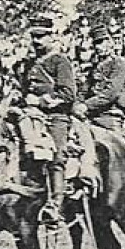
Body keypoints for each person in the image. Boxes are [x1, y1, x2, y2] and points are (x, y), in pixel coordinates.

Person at [21, 14, 78, 226]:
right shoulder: (29, 63)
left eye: (41, 37)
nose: (37, 41)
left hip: (56, 116)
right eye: (34, 37)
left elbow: (68, 94)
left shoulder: (60, 61)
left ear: (51, 36)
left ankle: (56, 205)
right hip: (31, 115)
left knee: (56, 155)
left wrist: (44, 102)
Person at [81, 22, 125, 130]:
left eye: (101, 42)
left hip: (111, 114)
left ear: (110, 42)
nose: (98, 47)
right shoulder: (95, 67)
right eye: (96, 43)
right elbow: (85, 90)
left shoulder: (118, 64)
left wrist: (86, 105)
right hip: (92, 112)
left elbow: (111, 93)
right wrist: (78, 103)